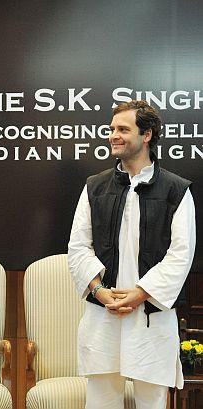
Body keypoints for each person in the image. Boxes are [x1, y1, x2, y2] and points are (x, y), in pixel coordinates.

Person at [68, 100, 196, 409]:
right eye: (112, 129)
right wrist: (100, 292)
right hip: (104, 313)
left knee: (151, 402)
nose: (114, 135)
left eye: (123, 129)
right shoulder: (94, 187)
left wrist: (140, 294)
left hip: (151, 315)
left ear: (147, 135)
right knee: (101, 401)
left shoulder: (176, 190)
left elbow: (181, 254)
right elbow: (77, 246)